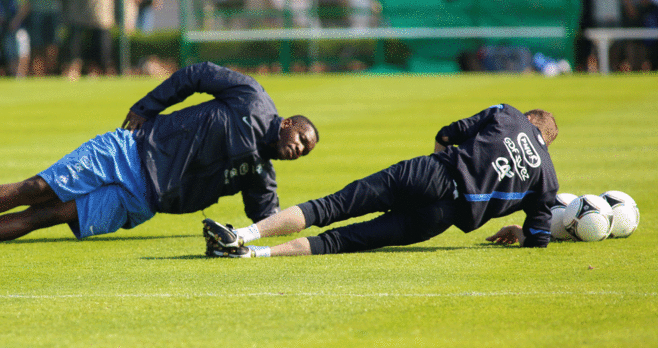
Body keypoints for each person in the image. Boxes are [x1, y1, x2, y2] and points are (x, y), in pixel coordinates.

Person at [0, 61, 319, 248]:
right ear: (287, 124)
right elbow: (196, 74)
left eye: (306, 151)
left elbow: (266, 219)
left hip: (140, 201)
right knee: (37, 188)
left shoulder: (260, 175)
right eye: (302, 138)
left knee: (47, 217)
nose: (300, 150)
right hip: (128, 151)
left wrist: (291, 233)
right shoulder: (253, 98)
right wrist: (146, 107)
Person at [203, 104, 557, 258]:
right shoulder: (547, 178)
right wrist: (518, 229)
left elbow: (448, 133)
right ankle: (253, 254)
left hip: (431, 172)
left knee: (332, 206)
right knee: (343, 241)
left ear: (528, 119)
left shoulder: (508, 114)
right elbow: (539, 238)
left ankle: (241, 235)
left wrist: (434, 163)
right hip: (444, 216)